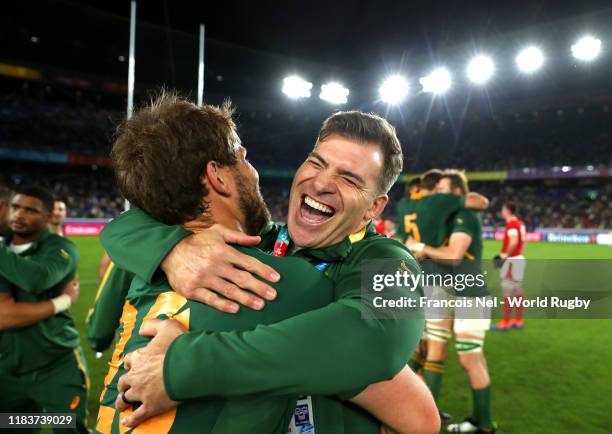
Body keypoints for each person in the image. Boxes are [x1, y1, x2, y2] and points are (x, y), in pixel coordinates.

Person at [97, 95, 437, 434]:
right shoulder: (258, 244)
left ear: (373, 208)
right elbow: (123, 225)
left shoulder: (385, 260)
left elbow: (377, 340)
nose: (321, 183)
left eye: (349, 179)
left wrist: (183, 365)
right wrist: (174, 248)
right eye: (316, 163)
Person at [407, 170, 496, 434]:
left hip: (470, 293)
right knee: (435, 349)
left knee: (471, 358)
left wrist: (422, 248)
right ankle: (475, 421)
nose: (437, 193)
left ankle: (485, 424)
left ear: (457, 192)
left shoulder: (464, 214)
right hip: (450, 291)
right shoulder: (448, 214)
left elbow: (455, 255)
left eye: (442, 188)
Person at [0, 186, 89, 434]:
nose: (20, 215)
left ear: (49, 216)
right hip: (9, 371)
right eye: (16, 207)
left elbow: (37, 279)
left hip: (56, 367)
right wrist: (63, 301)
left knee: (67, 427)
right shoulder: (5, 246)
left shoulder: (61, 248)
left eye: (31, 210)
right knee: (13, 428)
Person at [491, 202, 526, 331]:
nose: (502, 211)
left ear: (507, 210)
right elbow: (524, 241)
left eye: (503, 209)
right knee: (517, 290)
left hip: (512, 261)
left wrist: (505, 255)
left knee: (507, 291)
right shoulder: (520, 223)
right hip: (519, 259)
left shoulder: (511, 224)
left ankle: (505, 322)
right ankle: (518, 320)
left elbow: (513, 241)